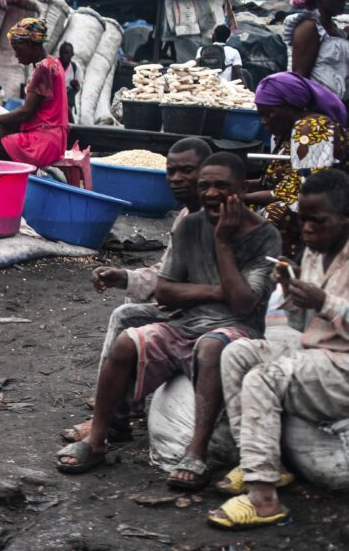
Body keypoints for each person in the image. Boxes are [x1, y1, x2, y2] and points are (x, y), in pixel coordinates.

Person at [57, 153, 281, 488]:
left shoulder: (264, 235)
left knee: (210, 346)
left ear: (242, 188)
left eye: (222, 186)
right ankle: (99, 437)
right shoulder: (191, 224)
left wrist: (221, 241)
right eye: (205, 186)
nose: (211, 193)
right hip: (186, 324)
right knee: (126, 342)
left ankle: (197, 449)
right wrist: (217, 290)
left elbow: (244, 303)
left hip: (238, 330)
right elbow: (166, 291)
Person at [209, 169, 349, 528]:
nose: (307, 230)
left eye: (318, 222)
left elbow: (331, 309)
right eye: (303, 221)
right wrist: (292, 286)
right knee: (237, 353)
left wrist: (324, 301)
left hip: (343, 367)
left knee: (263, 379)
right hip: (318, 354)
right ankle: (263, 465)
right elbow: (306, 320)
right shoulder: (317, 252)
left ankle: (264, 499)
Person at [62, 137, 213, 443]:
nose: (177, 179)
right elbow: (166, 271)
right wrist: (125, 277)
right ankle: (122, 402)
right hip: (186, 306)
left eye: (188, 171)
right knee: (133, 295)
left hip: (207, 319)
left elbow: (209, 284)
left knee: (125, 317)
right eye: (172, 172)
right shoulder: (185, 215)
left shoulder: (215, 218)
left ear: (207, 172)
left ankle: (109, 417)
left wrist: (160, 291)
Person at [246, 71, 348, 256]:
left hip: (320, 213)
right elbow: (280, 179)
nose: (264, 122)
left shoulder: (311, 128)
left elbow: (300, 192)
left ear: (290, 108)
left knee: (269, 215)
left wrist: (242, 197)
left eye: (269, 114)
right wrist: (245, 186)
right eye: (261, 114)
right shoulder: (288, 131)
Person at [0, 18, 68, 171]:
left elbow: (25, 113)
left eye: (17, 49)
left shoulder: (43, 68)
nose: (16, 54)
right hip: (55, 140)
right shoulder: (55, 63)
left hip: (40, 143)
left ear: (28, 44)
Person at [283, 0, 348, 102]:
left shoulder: (334, 30)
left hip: (338, 109)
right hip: (321, 110)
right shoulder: (309, 27)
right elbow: (300, 77)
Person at [58, 41, 80, 118]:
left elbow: (78, 88)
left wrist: (75, 85)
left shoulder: (74, 68)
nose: (64, 56)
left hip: (68, 101)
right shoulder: (54, 66)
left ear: (72, 55)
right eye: (62, 53)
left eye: (67, 53)